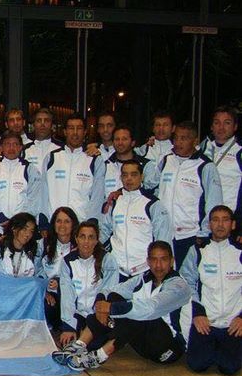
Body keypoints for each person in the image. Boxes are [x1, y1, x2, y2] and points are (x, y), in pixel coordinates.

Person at [56, 241, 191, 371]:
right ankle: (79, 345)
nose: (158, 265)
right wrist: (101, 302)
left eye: (163, 259)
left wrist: (111, 308)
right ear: (148, 261)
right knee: (113, 298)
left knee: (137, 313)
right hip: (144, 344)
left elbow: (151, 308)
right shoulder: (144, 278)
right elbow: (112, 291)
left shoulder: (178, 285)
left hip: (168, 348)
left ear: (172, 261)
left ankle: (99, 356)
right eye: (154, 260)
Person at [181, 205, 242, 375]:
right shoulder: (197, 251)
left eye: (225, 220)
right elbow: (186, 282)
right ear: (209, 225)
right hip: (206, 322)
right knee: (197, 365)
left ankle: (223, 348)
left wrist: (241, 318)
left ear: (233, 224)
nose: (220, 224)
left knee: (229, 368)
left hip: (233, 323)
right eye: (215, 220)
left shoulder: (239, 252)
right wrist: (198, 313)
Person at [155, 121, 223, 269]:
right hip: (164, 234)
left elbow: (214, 202)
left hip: (190, 236)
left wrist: (204, 233)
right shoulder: (166, 160)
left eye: (184, 138)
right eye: (176, 138)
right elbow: (151, 188)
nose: (178, 142)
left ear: (195, 141)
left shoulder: (205, 166)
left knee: (187, 279)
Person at [100, 160, 172, 280]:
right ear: (121, 177)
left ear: (141, 176)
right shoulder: (114, 202)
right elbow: (104, 231)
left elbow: (163, 240)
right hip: (117, 270)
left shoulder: (153, 204)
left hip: (144, 270)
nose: (129, 179)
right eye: (125, 175)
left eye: (133, 174)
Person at [57, 221, 119, 347]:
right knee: (67, 343)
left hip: (99, 314)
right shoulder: (68, 261)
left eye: (91, 237)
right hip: (78, 314)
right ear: (76, 239)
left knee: (92, 345)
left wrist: (95, 318)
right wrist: (69, 326)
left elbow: (108, 291)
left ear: (96, 240)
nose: (86, 241)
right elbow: (67, 295)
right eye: (82, 236)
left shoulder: (107, 260)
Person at [41, 113, 106, 228]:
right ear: (65, 132)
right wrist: (44, 219)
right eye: (71, 128)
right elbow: (43, 192)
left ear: (85, 132)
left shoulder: (94, 160)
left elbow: (97, 196)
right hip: (55, 224)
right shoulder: (51, 158)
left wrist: (91, 222)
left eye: (79, 128)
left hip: (81, 225)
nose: (75, 132)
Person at [0, 132, 42, 234]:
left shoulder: (30, 169)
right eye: (7, 144)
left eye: (15, 144)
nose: (11, 148)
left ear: (21, 147)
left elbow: (34, 199)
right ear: (0, 147)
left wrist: (19, 221)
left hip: (22, 228)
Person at [199, 106, 241, 234]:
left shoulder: (239, 150)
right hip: (203, 220)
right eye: (217, 123)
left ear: (235, 126)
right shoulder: (202, 148)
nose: (221, 127)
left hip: (230, 221)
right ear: (211, 126)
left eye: (227, 123)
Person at [40, 207, 80, 330]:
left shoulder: (79, 246)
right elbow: (37, 270)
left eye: (67, 221)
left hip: (73, 296)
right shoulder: (44, 243)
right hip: (50, 293)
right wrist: (44, 290)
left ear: (73, 224)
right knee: (45, 304)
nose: (62, 225)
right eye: (58, 221)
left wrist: (61, 283)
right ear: (53, 224)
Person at [101, 125, 158, 199]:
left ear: (133, 142)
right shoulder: (105, 166)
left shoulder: (146, 165)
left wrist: (122, 192)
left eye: (124, 139)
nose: (120, 143)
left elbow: (151, 191)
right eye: (117, 139)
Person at [0, 213, 42, 277]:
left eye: (31, 231)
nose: (28, 234)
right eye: (24, 229)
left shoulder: (34, 251)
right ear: (14, 228)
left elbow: (39, 274)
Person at [22, 108, 62, 172]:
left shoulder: (61, 148)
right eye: (39, 121)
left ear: (52, 126)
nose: (42, 124)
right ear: (33, 125)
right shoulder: (25, 150)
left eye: (46, 121)